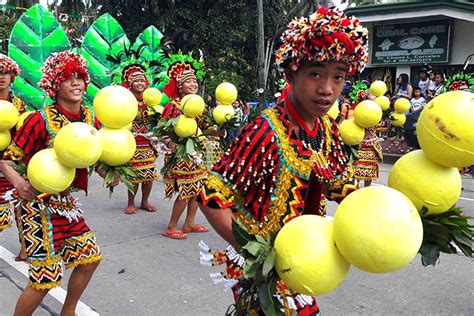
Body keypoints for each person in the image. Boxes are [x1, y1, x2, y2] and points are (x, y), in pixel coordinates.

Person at [197, 6, 366, 314]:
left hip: (304, 261)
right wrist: (254, 254)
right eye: (315, 74)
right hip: (267, 270)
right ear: (291, 74)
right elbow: (211, 198)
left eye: (338, 77)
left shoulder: (327, 128)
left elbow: (340, 183)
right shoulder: (265, 131)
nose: (327, 89)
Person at [0, 51, 118, 315]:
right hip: (35, 206)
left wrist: (110, 172)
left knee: (89, 259)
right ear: (55, 85)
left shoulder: (90, 118)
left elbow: (94, 156)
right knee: (44, 280)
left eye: (80, 78)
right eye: (68, 78)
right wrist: (19, 184)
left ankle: (69, 312)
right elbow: (6, 161)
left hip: (65, 204)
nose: (76, 83)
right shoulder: (38, 120)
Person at [160, 61, 209, 240]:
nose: (193, 84)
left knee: (197, 188)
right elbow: (163, 131)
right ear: (180, 86)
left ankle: (189, 222)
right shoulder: (174, 106)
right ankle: (172, 225)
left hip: (197, 152)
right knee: (186, 189)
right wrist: (171, 144)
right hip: (180, 154)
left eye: (195, 81)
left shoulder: (197, 105)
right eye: (189, 82)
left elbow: (204, 127)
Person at [0, 53, 28, 262]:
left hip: (13, 162)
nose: (1, 77)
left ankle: (26, 247)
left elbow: (25, 132)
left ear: (12, 76)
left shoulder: (19, 104)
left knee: (22, 205)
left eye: (5, 73)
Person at [122, 64, 160, 214]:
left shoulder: (150, 101)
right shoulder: (126, 100)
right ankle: (131, 203)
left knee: (148, 174)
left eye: (142, 81)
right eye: (136, 81)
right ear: (130, 84)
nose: (140, 84)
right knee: (134, 174)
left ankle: (145, 201)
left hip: (149, 141)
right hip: (132, 141)